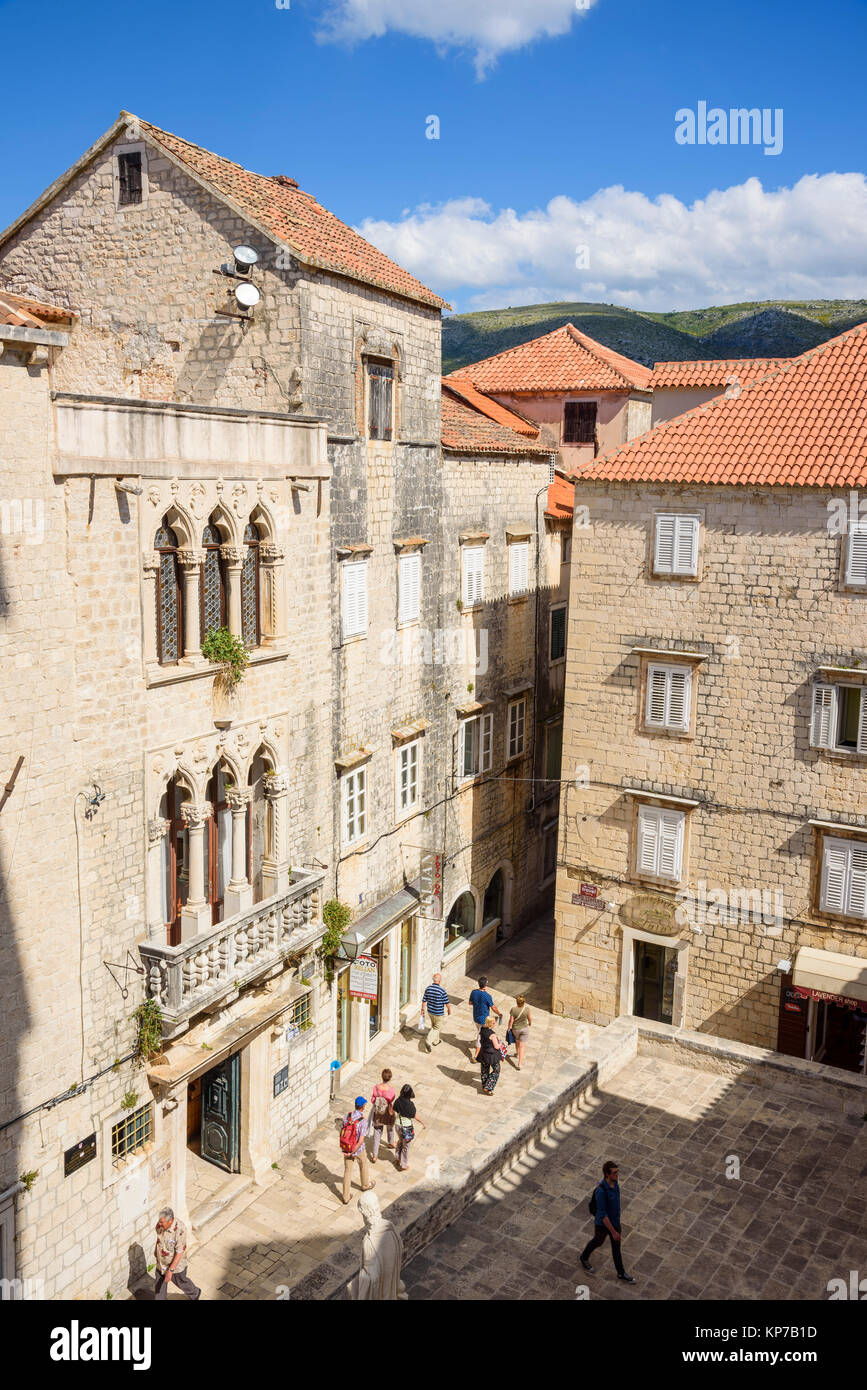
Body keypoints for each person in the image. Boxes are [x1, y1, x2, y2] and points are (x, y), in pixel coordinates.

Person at [579, 1161, 636, 1283]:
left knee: (616, 1249)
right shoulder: (601, 1192)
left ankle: (621, 1273)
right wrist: (614, 1232)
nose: (617, 1175)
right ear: (607, 1174)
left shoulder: (615, 1184)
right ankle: (584, 1257)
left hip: (615, 1221)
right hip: (603, 1224)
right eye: (614, 1173)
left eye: (617, 1172)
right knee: (598, 1241)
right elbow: (603, 1215)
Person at [153, 1207, 201, 1300]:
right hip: (162, 1263)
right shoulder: (160, 1226)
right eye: (159, 1221)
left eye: (162, 1222)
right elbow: (158, 1239)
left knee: (181, 1282)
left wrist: (170, 1271)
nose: (159, 1224)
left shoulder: (180, 1229)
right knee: (159, 1284)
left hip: (176, 1265)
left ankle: (195, 1292)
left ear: (170, 1221)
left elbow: (179, 1252)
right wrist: (156, 1252)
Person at [340, 1096, 376, 1205]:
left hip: (346, 1148)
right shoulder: (363, 1121)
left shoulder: (347, 1116)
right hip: (358, 1149)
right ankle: (365, 1185)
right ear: (363, 1107)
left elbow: (342, 1133)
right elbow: (360, 1141)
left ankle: (346, 1197)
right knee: (363, 1165)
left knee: (347, 1171)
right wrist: (353, 1151)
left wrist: (347, 1150)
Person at [393, 1083, 426, 1171]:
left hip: (397, 1125)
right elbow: (415, 1116)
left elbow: (394, 1109)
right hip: (406, 1128)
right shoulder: (410, 1105)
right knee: (406, 1147)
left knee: (400, 1141)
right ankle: (403, 1165)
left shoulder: (398, 1100)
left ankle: (397, 1158)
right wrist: (423, 1123)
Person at [468, 975, 501, 1057]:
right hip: (484, 1020)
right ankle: (476, 1056)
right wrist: (499, 1014)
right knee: (480, 1036)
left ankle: (482, 1045)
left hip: (476, 1017)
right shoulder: (487, 996)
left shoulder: (473, 992)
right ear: (485, 985)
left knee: (480, 1033)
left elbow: (470, 1003)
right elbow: (493, 1007)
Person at [369, 1068, 397, 1163]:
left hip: (377, 1114)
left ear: (382, 1077)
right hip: (387, 1112)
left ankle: (374, 1156)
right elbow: (392, 1099)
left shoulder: (375, 1088)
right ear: (390, 1078)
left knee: (377, 1134)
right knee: (390, 1128)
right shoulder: (391, 1090)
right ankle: (391, 1143)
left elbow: (373, 1100)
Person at [420, 974, 451, 1051]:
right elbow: (447, 1002)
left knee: (434, 1025)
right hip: (438, 1013)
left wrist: (422, 1010)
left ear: (433, 980)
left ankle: (436, 1041)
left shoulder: (428, 989)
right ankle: (428, 1041)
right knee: (437, 1028)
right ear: (439, 981)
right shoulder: (442, 990)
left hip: (430, 1012)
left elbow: (424, 1000)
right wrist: (449, 1009)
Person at [477, 1013, 503, 1095]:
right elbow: (496, 1046)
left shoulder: (482, 1029)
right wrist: (501, 1043)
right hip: (492, 1055)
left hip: (483, 1053)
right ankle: (488, 1087)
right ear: (492, 1024)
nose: (495, 1024)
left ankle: (484, 1085)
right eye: (494, 1023)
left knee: (484, 1070)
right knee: (496, 1070)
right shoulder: (492, 1035)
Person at [507, 994, 533, 1070]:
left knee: (517, 1041)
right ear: (524, 1002)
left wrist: (509, 1028)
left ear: (517, 1002)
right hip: (524, 1029)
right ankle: (520, 1064)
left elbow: (511, 1020)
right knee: (522, 1046)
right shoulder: (527, 1009)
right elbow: (529, 1018)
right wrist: (530, 1023)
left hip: (516, 1029)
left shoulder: (513, 1009)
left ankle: (517, 1053)